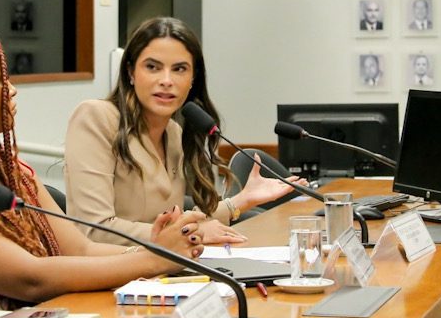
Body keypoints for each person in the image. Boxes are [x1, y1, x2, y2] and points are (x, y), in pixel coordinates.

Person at [0, 26, 205, 318]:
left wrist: (158, 250)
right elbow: (29, 279)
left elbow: (80, 249)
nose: (12, 90)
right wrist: (154, 259)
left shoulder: (5, 167)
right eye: (1, 80)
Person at [64, 17, 304, 247]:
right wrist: (188, 233)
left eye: (179, 69)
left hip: (161, 268)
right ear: (130, 72)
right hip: (111, 269)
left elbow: (177, 223)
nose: (166, 80)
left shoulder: (174, 133)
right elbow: (94, 230)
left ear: (192, 79)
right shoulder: (96, 117)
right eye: (152, 67)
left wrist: (243, 200)